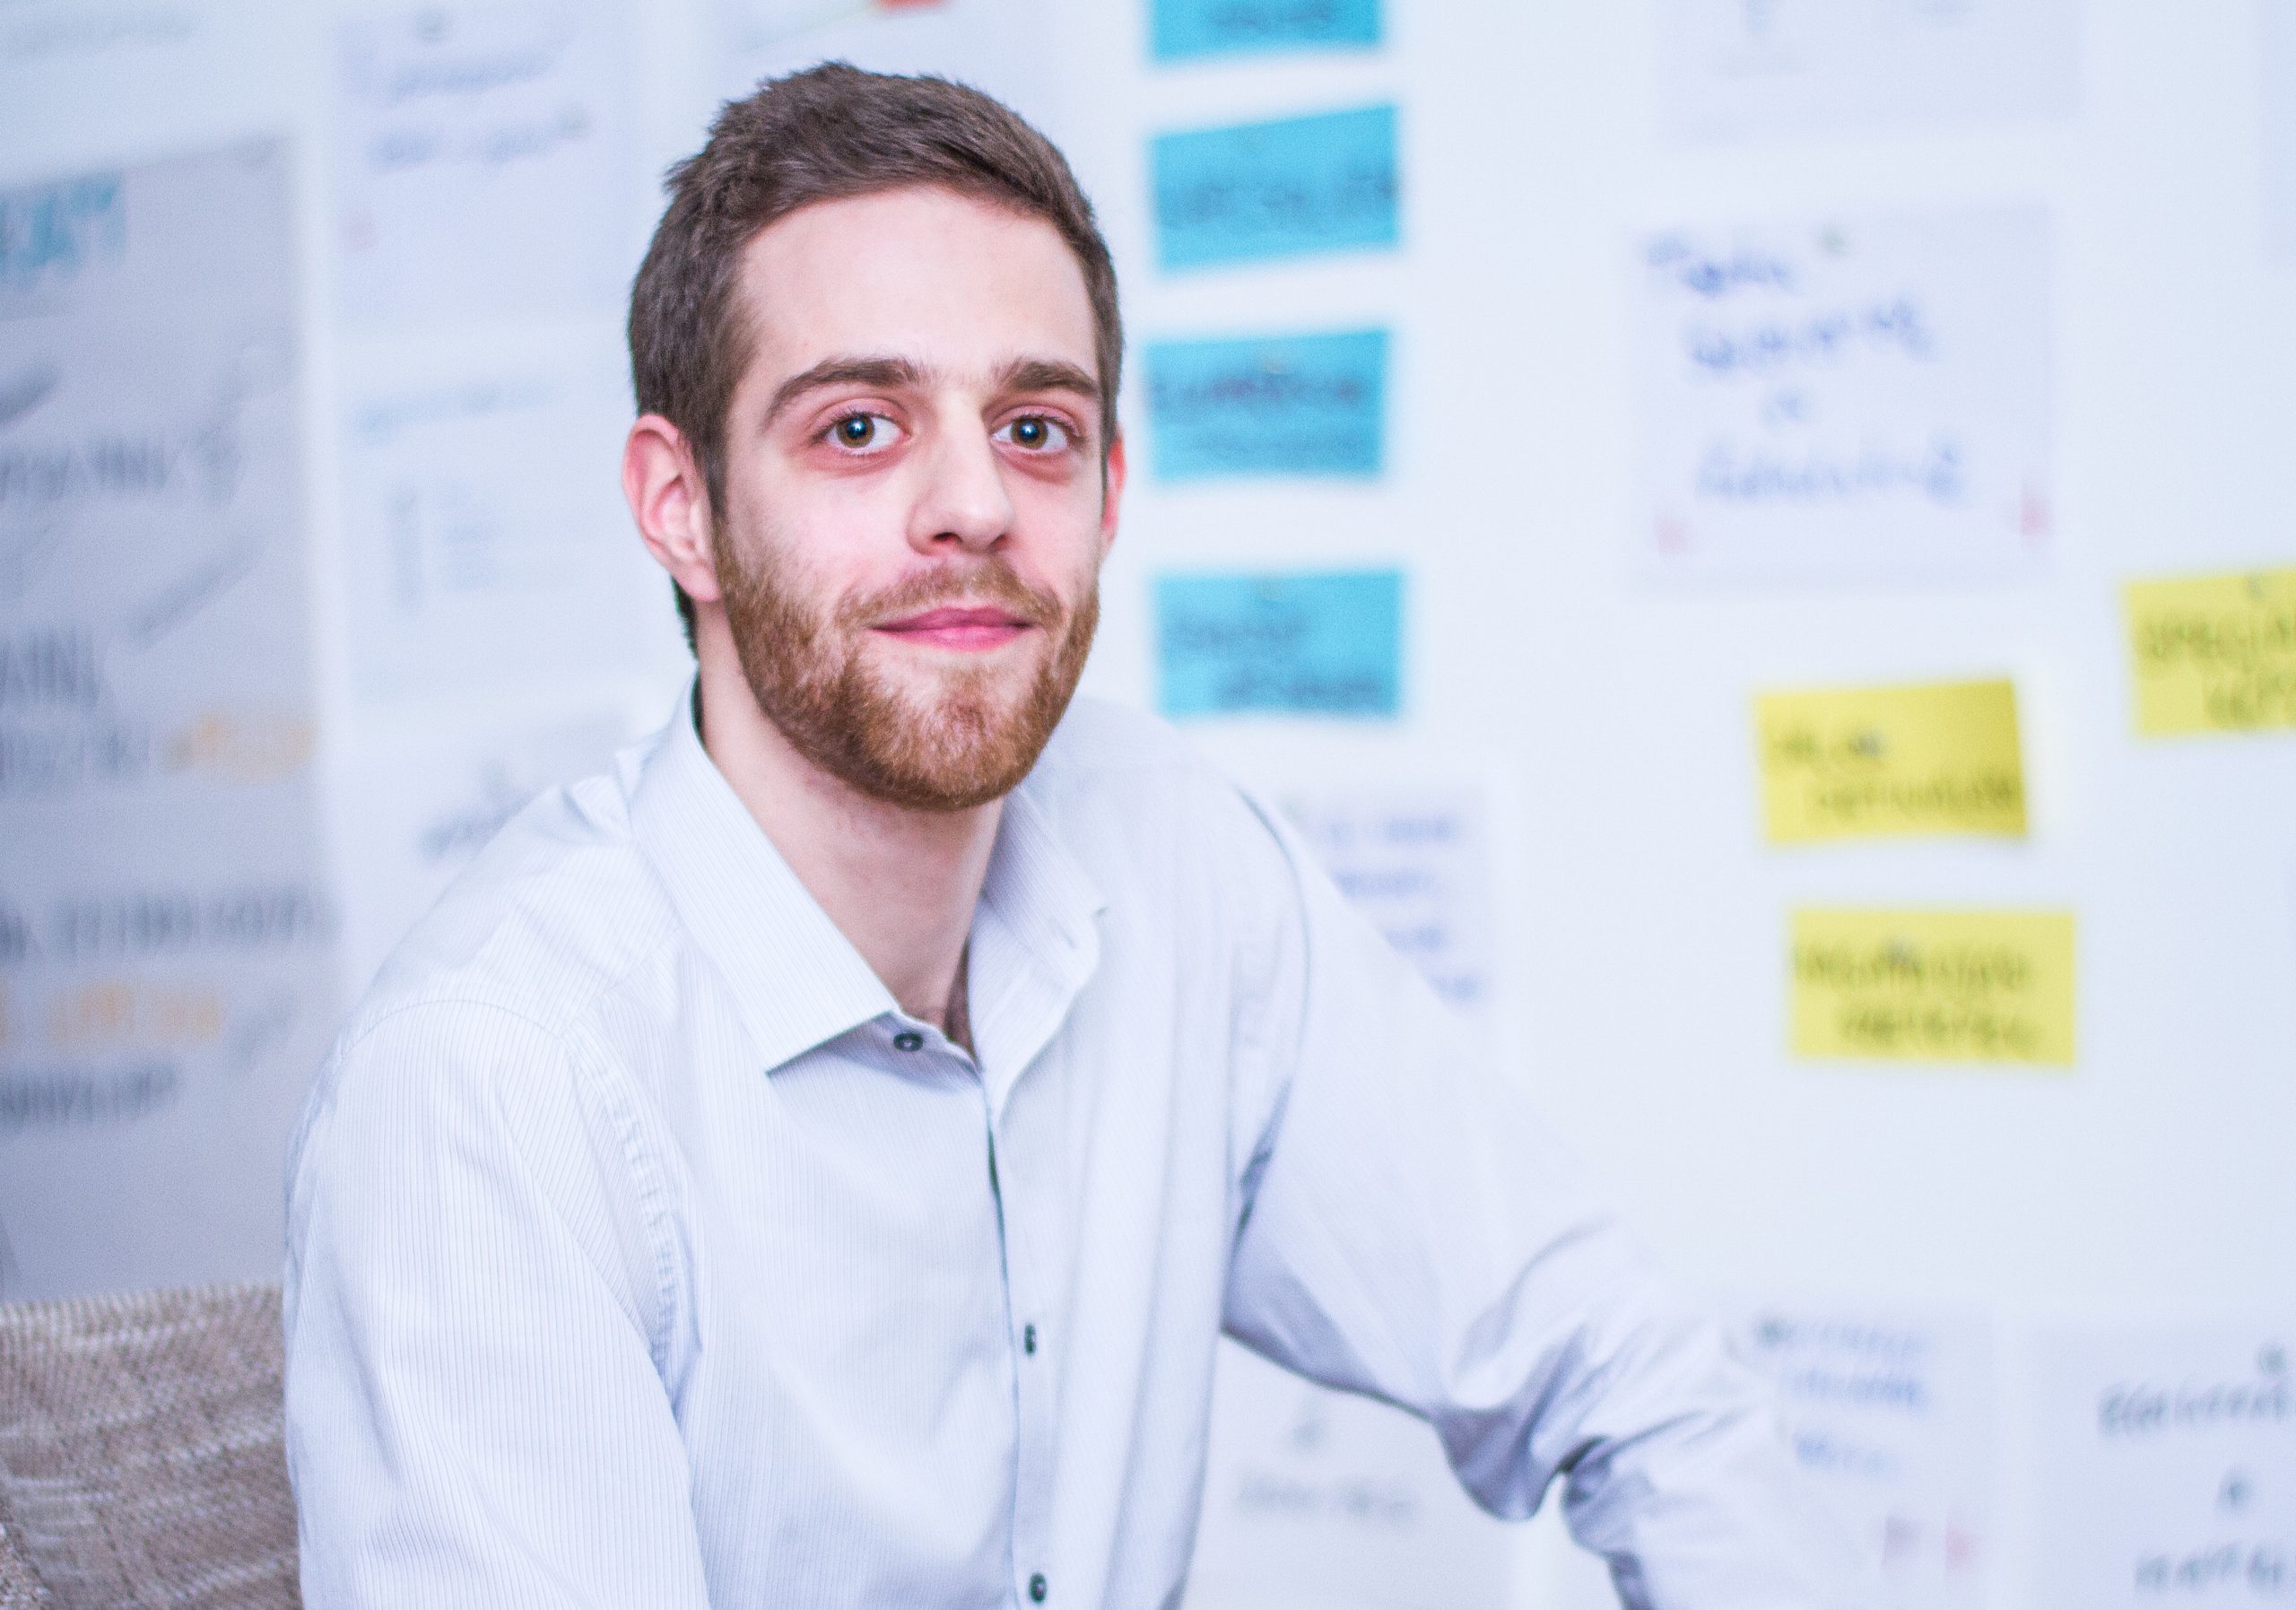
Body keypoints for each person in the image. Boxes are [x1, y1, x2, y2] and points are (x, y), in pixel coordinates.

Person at [283, 63, 1873, 1610]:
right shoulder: (493, 1084)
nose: (975, 503)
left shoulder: (1174, 860)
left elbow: (1632, 1375)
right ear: (679, 505)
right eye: (859, 427)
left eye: (1034, 429)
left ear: (1109, 493)